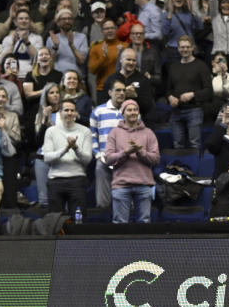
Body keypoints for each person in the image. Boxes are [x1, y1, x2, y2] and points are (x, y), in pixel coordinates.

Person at [105, 99, 159, 223]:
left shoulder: (148, 133)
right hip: (121, 185)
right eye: (129, 110)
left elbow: (156, 159)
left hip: (144, 184)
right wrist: (126, 152)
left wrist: (140, 152)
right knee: (120, 224)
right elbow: (108, 159)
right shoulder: (114, 133)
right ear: (123, 113)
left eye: (135, 110)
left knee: (144, 223)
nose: (133, 112)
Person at [42, 99, 93, 214]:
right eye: (66, 110)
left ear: (76, 113)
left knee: (78, 220)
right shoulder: (51, 131)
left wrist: (75, 148)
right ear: (60, 112)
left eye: (72, 110)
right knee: (54, 221)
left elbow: (87, 160)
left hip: (77, 179)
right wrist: (65, 149)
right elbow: (47, 158)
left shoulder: (85, 131)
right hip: (55, 179)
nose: (69, 113)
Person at [166, 36, 212, 149]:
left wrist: (193, 95)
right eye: (182, 47)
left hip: (194, 110)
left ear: (193, 48)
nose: (184, 49)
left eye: (187, 47)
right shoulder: (173, 67)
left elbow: (209, 91)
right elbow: (168, 90)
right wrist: (170, 97)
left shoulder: (201, 66)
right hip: (176, 111)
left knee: (195, 145)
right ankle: (178, 167)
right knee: (177, 145)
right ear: (178, 48)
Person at [90, 80, 127, 208]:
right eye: (118, 90)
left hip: (126, 159)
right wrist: (98, 154)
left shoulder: (132, 111)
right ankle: (102, 210)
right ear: (110, 92)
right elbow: (92, 135)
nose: (121, 93)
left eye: (124, 90)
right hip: (104, 158)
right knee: (100, 167)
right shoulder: (98, 111)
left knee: (124, 201)